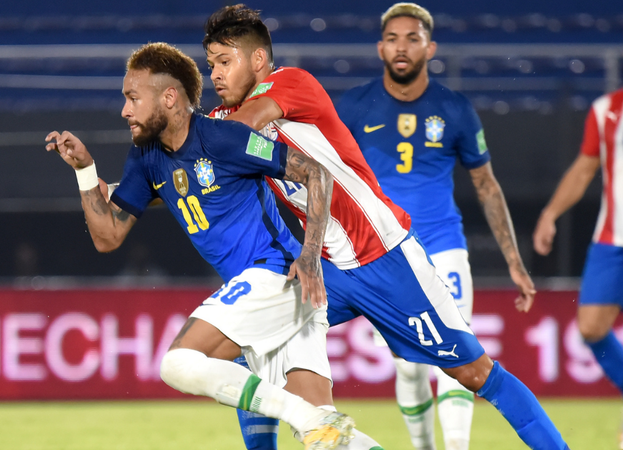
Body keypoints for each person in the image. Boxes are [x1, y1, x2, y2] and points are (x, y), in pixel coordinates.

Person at [202, 4, 567, 450]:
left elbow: (232, 136)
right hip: (329, 269)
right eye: (210, 65)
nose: (215, 75)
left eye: (224, 62)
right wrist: (122, 188)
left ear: (258, 60)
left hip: (387, 258)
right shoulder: (223, 120)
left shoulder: (289, 83)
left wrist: (188, 136)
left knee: (474, 374)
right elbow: (192, 171)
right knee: (245, 343)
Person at [46, 42, 364, 450]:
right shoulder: (146, 159)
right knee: (327, 437)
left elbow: (315, 173)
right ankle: (313, 421)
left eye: (132, 97)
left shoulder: (223, 139)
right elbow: (108, 237)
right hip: (269, 296)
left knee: (178, 363)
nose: (125, 110)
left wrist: (310, 255)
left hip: (277, 275)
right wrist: (86, 171)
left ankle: (304, 417)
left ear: (169, 96)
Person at [334, 4, 536, 450]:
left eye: (412, 38)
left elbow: (486, 185)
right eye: (393, 38)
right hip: (384, 253)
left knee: (458, 351)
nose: (401, 46)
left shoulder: (455, 109)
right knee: (409, 366)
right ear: (380, 47)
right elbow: (326, 176)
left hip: (443, 247)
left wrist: (515, 263)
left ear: (431, 47)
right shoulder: (352, 105)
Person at [533, 86, 623, 448]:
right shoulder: (607, 110)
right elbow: (586, 167)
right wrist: (550, 214)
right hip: (611, 239)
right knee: (590, 327)